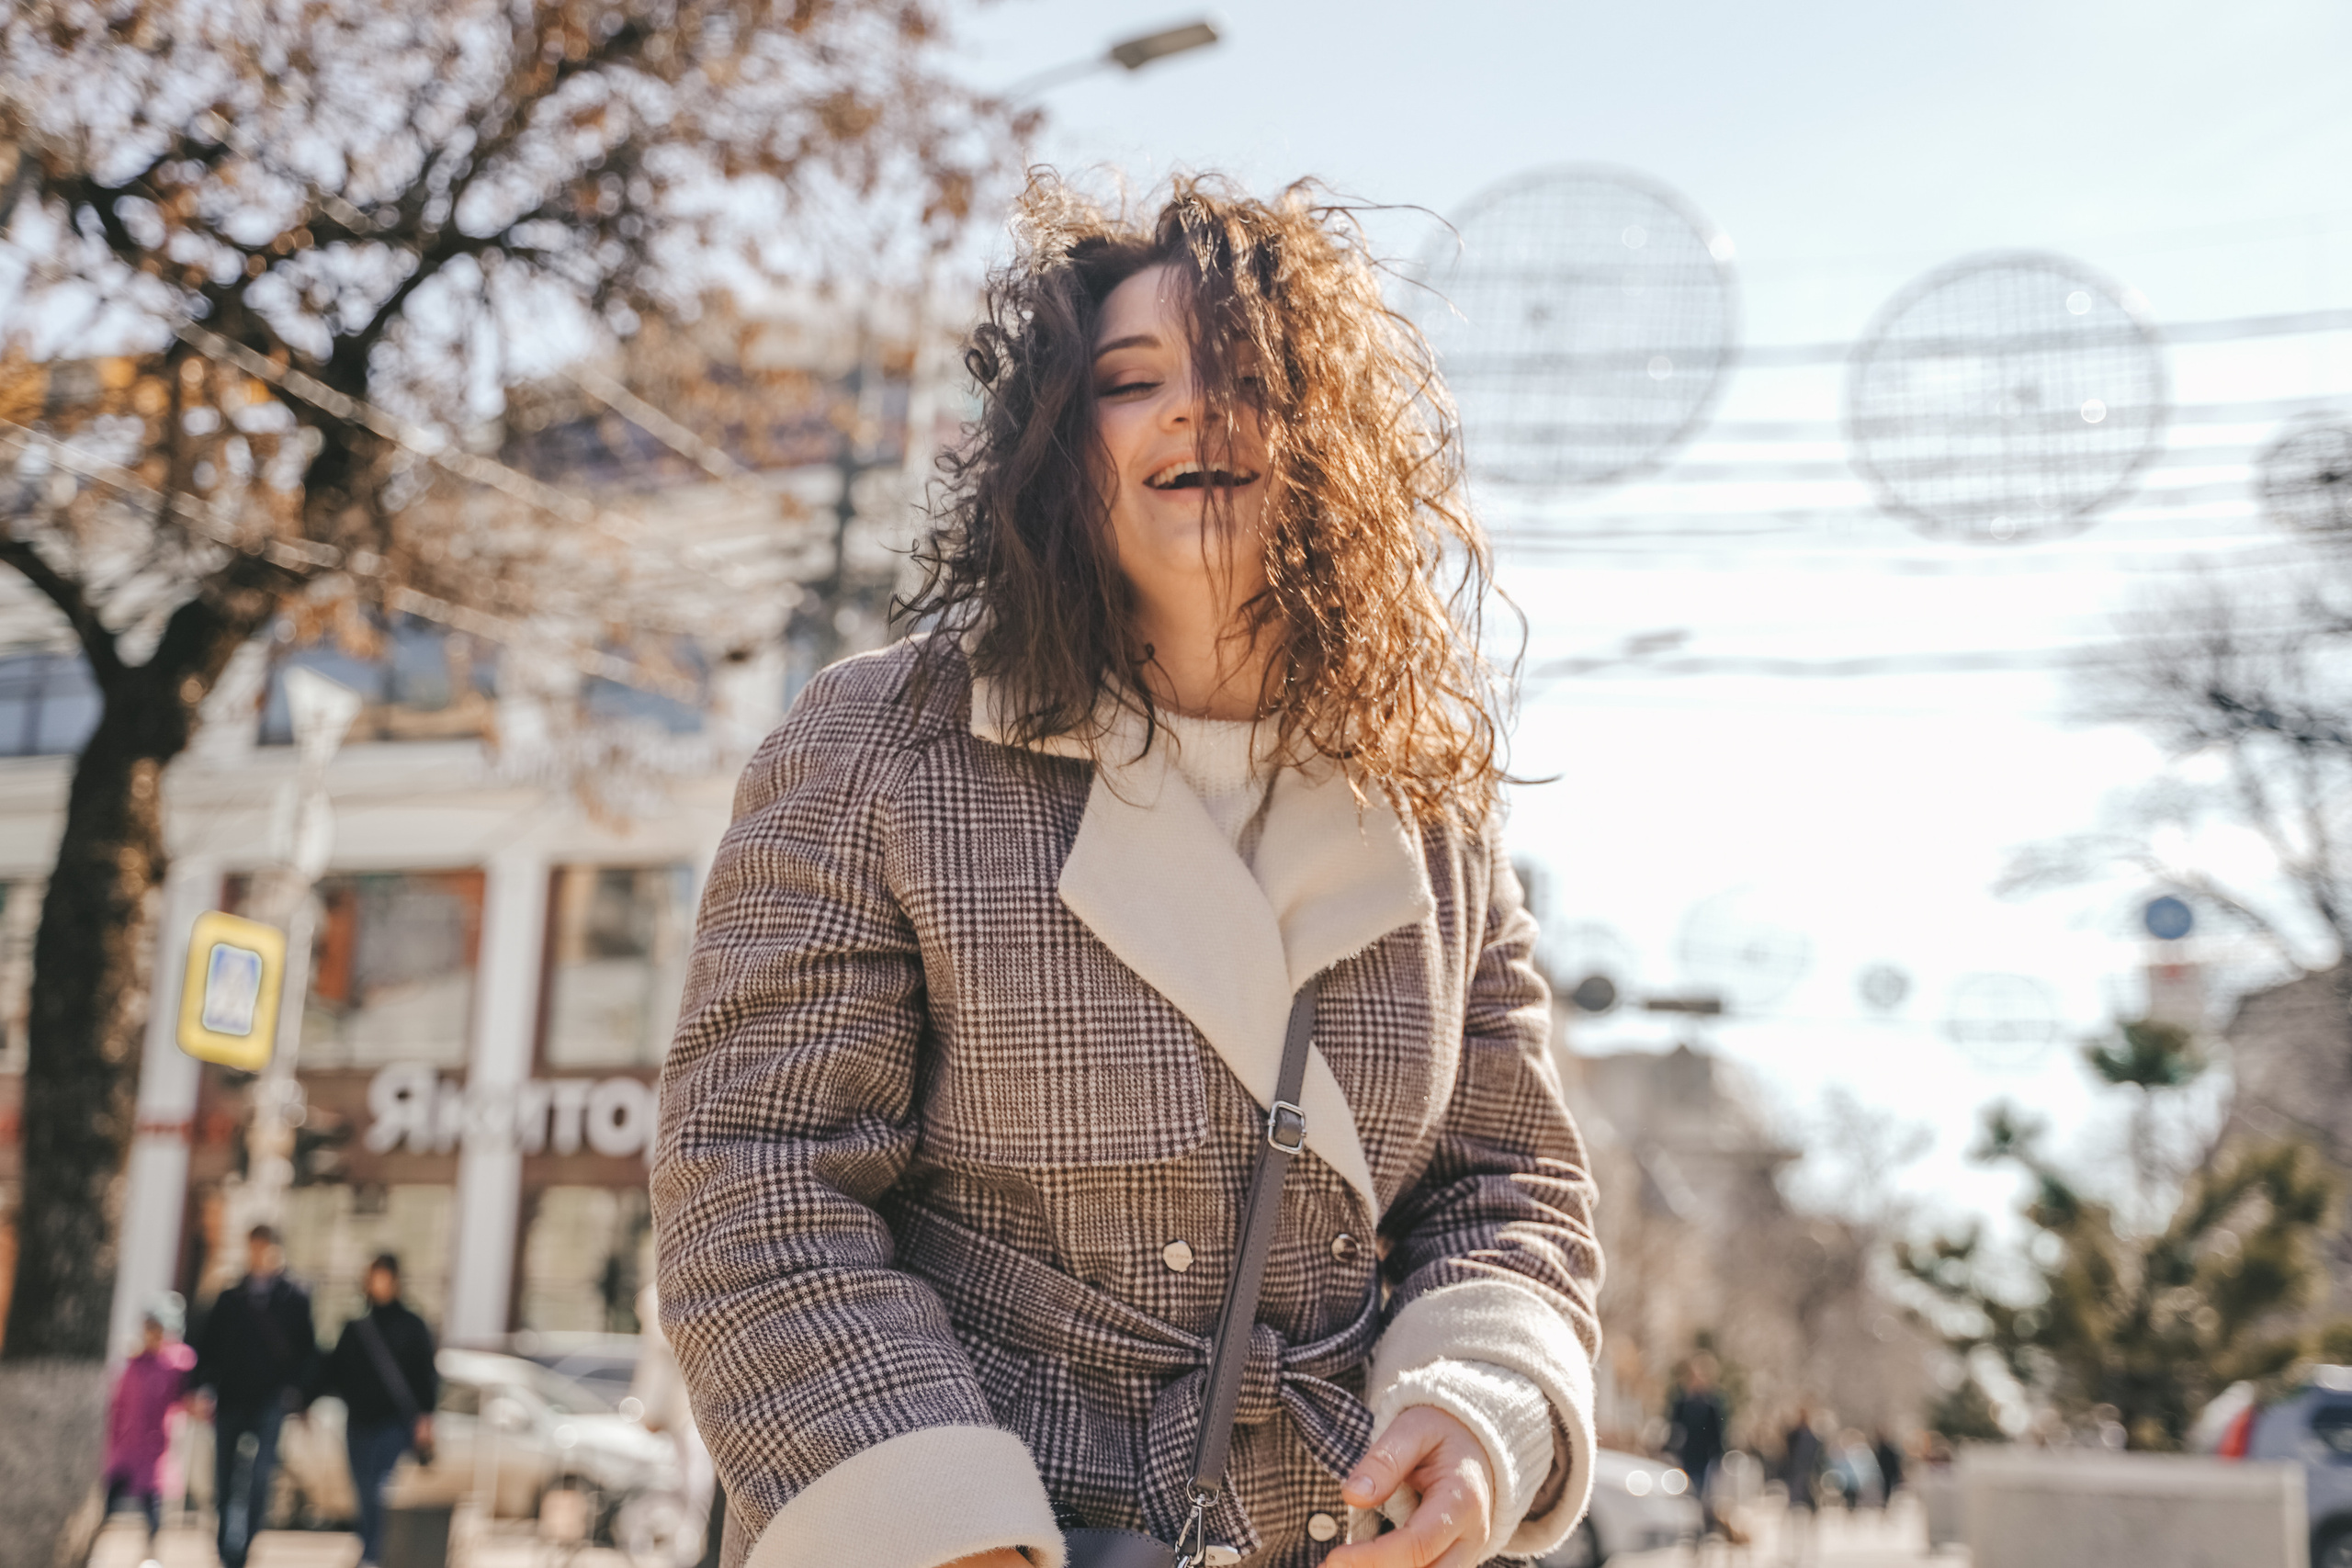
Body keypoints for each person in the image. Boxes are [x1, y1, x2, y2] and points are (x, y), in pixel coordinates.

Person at [653, 173, 1604, 1568]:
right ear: (1058, 447)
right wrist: (948, 1528)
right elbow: (757, 1177)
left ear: (1330, 435)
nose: (1189, 404)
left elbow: (1509, 1177)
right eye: (1129, 376)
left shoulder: (1432, 800)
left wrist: (1481, 1407)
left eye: (1245, 371)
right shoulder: (883, 742)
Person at [191, 1224, 319, 1568]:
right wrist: (201, 1389)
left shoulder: (295, 1298)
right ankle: (224, 1547)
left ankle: (246, 1546)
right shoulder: (230, 1297)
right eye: (253, 1248)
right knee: (224, 1476)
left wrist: (302, 1396)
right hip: (230, 1398)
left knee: (262, 1475)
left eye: (264, 1248)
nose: (258, 1255)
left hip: (271, 1401)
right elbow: (207, 1348)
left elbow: (308, 1353)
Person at [321, 1254, 436, 1568]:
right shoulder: (357, 1327)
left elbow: (426, 1375)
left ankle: (374, 1554)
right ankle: (368, 1547)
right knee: (361, 1489)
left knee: (379, 1486)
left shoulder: (412, 1325)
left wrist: (426, 1417)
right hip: (358, 1421)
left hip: (394, 1422)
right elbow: (333, 1372)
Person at [103, 1293, 196, 1567]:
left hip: (157, 1448)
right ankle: (97, 1549)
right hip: (126, 1448)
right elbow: (118, 1402)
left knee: (153, 1509)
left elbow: (186, 1398)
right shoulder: (134, 1363)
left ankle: (151, 1554)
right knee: (110, 1502)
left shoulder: (178, 1364)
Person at [1666, 1353, 1729, 1537]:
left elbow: (1719, 1432)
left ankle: (1700, 1532)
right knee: (1685, 1496)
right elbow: (1674, 1427)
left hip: (1705, 1457)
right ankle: (1686, 1530)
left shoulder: (1713, 1403)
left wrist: (1718, 1456)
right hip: (1685, 1455)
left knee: (1702, 1496)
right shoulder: (1682, 1401)